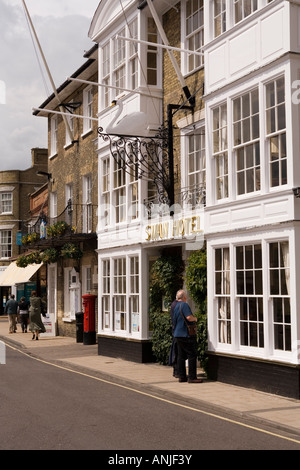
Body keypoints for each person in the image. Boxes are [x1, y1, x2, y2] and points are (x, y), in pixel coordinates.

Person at [172, 289, 202, 384]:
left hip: (177, 334)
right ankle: (192, 377)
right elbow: (189, 317)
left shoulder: (176, 306)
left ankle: (182, 376)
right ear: (184, 297)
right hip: (185, 334)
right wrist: (196, 318)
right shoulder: (184, 305)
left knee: (181, 356)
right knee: (192, 355)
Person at [169, 296, 179, 378]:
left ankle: (176, 371)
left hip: (175, 331)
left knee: (176, 351)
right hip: (177, 332)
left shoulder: (174, 304)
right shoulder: (177, 305)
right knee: (177, 352)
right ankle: (176, 371)